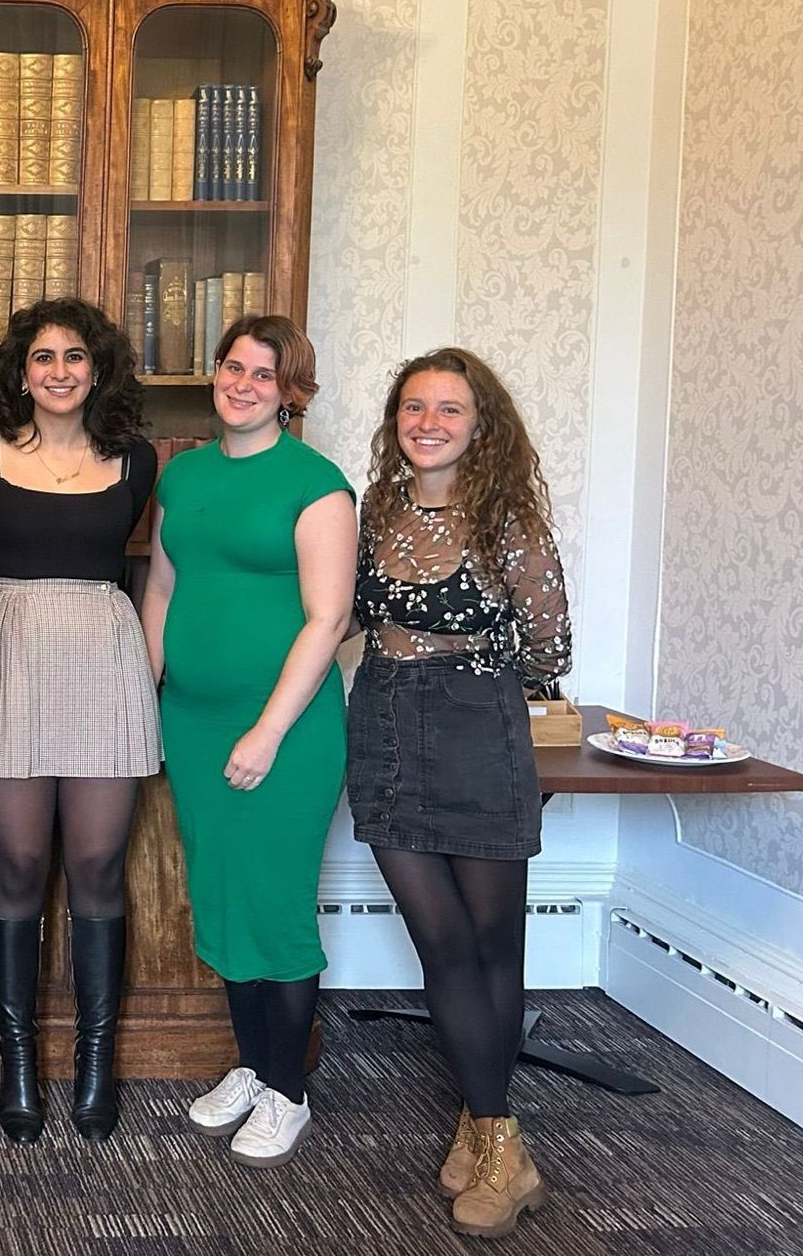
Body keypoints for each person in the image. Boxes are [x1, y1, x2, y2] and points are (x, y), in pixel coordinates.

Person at [348, 347, 571, 1238]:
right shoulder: (375, 509)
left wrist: (465, 677)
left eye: (448, 409)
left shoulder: (510, 520)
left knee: (489, 944)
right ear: (395, 421)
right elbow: (348, 617)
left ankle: (490, 1135)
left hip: (480, 729)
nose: (428, 423)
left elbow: (550, 650)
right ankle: (498, 1137)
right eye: (413, 407)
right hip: (385, 726)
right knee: (439, 940)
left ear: (481, 426)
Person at [141, 313, 355, 1169]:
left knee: (275, 903)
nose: (242, 383)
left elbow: (328, 617)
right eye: (232, 366)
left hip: (285, 733)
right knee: (223, 896)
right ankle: (255, 1063)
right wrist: (146, 696)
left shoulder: (316, 483)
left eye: (263, 374)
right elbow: (159, 589)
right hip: (192, 724)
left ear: (290, 390)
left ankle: (288, 1091)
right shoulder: (181, 475)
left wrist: (267, 730)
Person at [0, 296, 159, 1144]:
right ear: (21, 371)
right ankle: (19, 1063)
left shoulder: (138, 460)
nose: (61, 371)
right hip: (6, 655)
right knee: (20, 861)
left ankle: (97, 1060)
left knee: (98, 862)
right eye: (44, 357)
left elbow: (160, 573)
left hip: (104, 660)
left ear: (97, 369)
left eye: (77, 356)